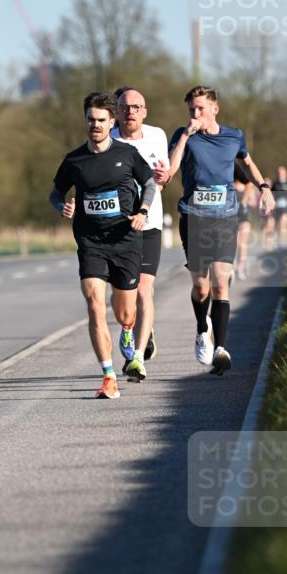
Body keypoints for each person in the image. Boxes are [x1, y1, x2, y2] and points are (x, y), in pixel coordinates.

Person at [156, 86, 274, 375]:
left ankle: (220, 348)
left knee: (222, 281)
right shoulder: (183, 136)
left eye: (200, 108)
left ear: (214, 109)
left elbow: (247, 163)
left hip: (225, 217)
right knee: (201, 286)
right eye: (191, 110)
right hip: (194, 218)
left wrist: (264, 188)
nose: (195, 114)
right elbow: (170, 171)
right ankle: (201, 330)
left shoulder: (234, 135)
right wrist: (185, 134)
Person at [49, 91, 155, 398]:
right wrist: (62, 207)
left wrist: (143, 211)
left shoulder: (126, 154)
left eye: (101, 120)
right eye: (90, 120)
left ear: (112, 122)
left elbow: (149, 184)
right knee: (95, 304)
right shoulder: (74, 160)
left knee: (125, 314)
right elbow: (55, 193)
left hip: (125, 240)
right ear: (85, 121)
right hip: (91, 242)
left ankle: (126, 333)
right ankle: (108, 375)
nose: (95, 125)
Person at [111, 87, 168, 382]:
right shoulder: (107, 139)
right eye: (124, 106)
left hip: (149, 224)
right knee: (124, 295)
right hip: (116, 227)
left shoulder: (157, 136)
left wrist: (164, 178)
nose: (130, 111)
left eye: (136, 106)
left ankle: (136, 359)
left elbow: (164, 179)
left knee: (145, 290)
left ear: (144, 111)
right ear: (116, 111)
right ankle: (130, 328)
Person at [233, 165, 259, 281]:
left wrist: (246, 199)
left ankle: (240, 268)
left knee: (242, 244)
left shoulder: (248, 186)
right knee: (234, 244)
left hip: (244, 217)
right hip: (232, 218)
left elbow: (253, 203)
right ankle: (231, 268)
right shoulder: (230, 185)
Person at [270, 166, 287, 247]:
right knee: (278, 225)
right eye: (279, 173)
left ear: (286, 173)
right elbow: (271, 195)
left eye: (282, 172)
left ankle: (282, 241)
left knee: (284, 222)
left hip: (286, 208)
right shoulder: (275, 183)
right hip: (277, 208)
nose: (281, 174)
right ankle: (278, 240)